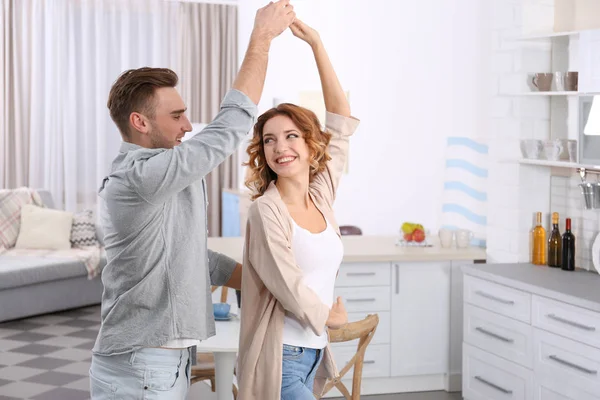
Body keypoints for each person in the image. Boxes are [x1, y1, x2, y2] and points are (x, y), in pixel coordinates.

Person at [88, 2, 296, 399]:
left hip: (160, 362)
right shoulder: (141, 176)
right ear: (140, 122)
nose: (187, 125)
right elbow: (229, 127)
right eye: (177, 115)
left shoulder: (161, 175)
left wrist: (264, 283)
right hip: (143, 366)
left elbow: (190, 257)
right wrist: (262, 38)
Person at [237, 19, 360, 400]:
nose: (279, 147)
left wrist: (317, 45)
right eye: (269, 140)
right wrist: (329, 316)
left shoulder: (321, 194)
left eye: (291, 136)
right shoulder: (266, 211)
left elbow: (340, 120)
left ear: (310, 145)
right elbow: (287, 283)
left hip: (314, 354)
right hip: (281, 355)